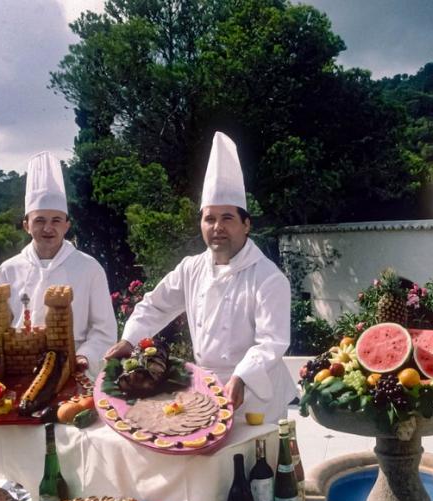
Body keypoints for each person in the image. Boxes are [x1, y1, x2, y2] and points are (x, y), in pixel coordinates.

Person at [105, 132, 295, 422]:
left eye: (227, 218)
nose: (217, 226)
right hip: (206, 388)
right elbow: (156, 306)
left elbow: (271, 342)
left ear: (246, 224)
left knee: (260, 464)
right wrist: (129, 340)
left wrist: (242, 377)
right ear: (201, 224)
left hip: (257, 394)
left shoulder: (268, 278)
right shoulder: (190, 268)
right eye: (210, 218)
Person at [0, 151, 116, 376]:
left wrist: (84, 358)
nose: (48, 228)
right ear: (26, 225)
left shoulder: (90, 268)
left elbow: (104, 330)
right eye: (39, 220)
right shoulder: (7, 270)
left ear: (67, 225)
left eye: (56, 220)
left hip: (74, 367)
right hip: (17, 369)